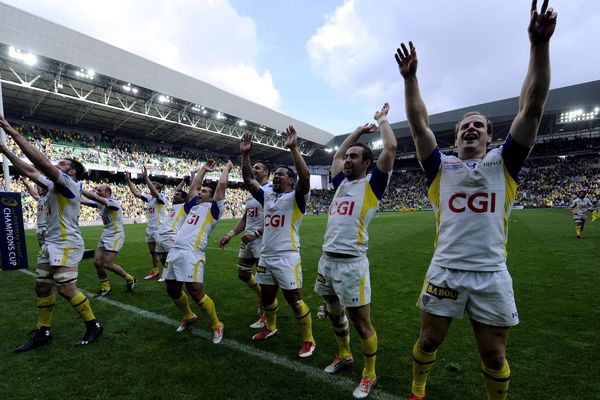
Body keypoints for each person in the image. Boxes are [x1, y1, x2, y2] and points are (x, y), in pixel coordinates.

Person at [395, 1, 557, 399]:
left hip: (491, 275)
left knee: (494, 355)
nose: (471, 128)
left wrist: (539, 46)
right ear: (455, 138)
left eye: (479, 125)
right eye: (465, 125)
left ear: (489, 136)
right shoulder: (439, 167)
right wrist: (411, 80)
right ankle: (418, 390)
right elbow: (418, 127)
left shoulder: (505, 164)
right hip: (445, 271)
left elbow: (532, 109)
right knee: (428, 342)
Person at [314, 103, 396, 398]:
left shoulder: (372, 186)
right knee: (336, 315)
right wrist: (358, 132)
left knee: (362, 323)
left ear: (367, 164)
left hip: (351, 265)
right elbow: (335, 155)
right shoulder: (339, 184)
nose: (346, 160)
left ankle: (369, 374)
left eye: (354, 157)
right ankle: (344, 356)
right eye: (347, 157)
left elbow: (391, 148)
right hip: (327, 262)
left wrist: (382, 120)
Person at [0, 117, 103, 351]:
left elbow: (43, 163)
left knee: (66, 289)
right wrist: (4, 149)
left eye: (63, 163)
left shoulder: (69, 184)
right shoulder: (51, 186)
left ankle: (93, 325)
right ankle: (43, 331)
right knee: (42, 287)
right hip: (51, 243)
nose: (58, 165)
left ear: (72, 172)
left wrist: (11, 132)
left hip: (66, 243)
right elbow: (27, 169)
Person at [240, 127, 315, 358]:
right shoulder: (268, 196)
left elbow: (305, 178)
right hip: (266, 255)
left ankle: (308, 340)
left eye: (281, 174)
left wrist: (293, 148)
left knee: (294, 299)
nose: (277, 176)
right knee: (267, 297)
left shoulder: (297, 197)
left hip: (287, 255)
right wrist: (245, 155)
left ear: (290, 180)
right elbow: (249, 180)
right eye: (276, 173)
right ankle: (271, 328)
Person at [164, 159, 232, 344]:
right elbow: (193, 188)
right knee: (172, 288)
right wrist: (203, 169)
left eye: (205, 191)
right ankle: (188, 315)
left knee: (195, 291)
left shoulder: (214, 209)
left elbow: (221, 186)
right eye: (201, 191)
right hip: (176, 251)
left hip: (192, 253)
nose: (200, 192)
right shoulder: (192, 206)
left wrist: (226, 169)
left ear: (212, 196)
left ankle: (217, 324)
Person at [218, 160, 272, 329]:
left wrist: (257, 233)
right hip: (248, 239)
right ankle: (263, 299)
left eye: (257, 167)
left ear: (266, 173)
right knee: (243, 274)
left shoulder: (271, 191)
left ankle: (267, 312)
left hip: (262, 239)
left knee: (264, 280)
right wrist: (230, 235)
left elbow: (274, 218)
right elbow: (245, 218)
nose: (253, 169)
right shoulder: (250, 193)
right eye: (253, 167)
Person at [81, 184, 136, 296]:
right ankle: (106, 287)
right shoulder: (99, 203)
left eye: (100, 190)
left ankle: (130, 278)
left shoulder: (112, 202)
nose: (97, 191)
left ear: (108, 192)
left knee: (107, 263)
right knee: (97, 262)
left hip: (116, 235)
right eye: (97, 190)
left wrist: (77, 187)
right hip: (105, 234)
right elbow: (83, 200)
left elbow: (94, 198)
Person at [126, 169, 166, 280]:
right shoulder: (149, 198)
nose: (149, 188)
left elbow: (152, 189)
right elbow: (136, 193)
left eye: (152, 187)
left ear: (157, 189)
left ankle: (167, 273)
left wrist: (146, 178)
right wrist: (128, 180)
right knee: (152, 252)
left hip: (159, 228)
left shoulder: (161, 198)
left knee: (162, 252)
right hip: (150, 228)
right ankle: (155, 271)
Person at [154, 172, 189, 282]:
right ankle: (167, 273)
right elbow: (176, 191)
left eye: (178, 195)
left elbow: (190, 195)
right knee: (162, 256)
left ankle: (182, 276)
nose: (174, 195)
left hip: (171, 235)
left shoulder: (185, 207)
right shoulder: (175, 206)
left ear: (184, 199)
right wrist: (183, 181)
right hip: (162, 235)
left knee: (173, 258)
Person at [21, 177, 49, 247]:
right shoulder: (41, 199)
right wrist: (26, 184)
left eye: (39, 187)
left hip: (47, 227)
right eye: (37, 187)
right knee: (43, 250)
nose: (38, 188)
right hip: (40, 228)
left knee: (50, 249)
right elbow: (34, 193)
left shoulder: (50, 197)